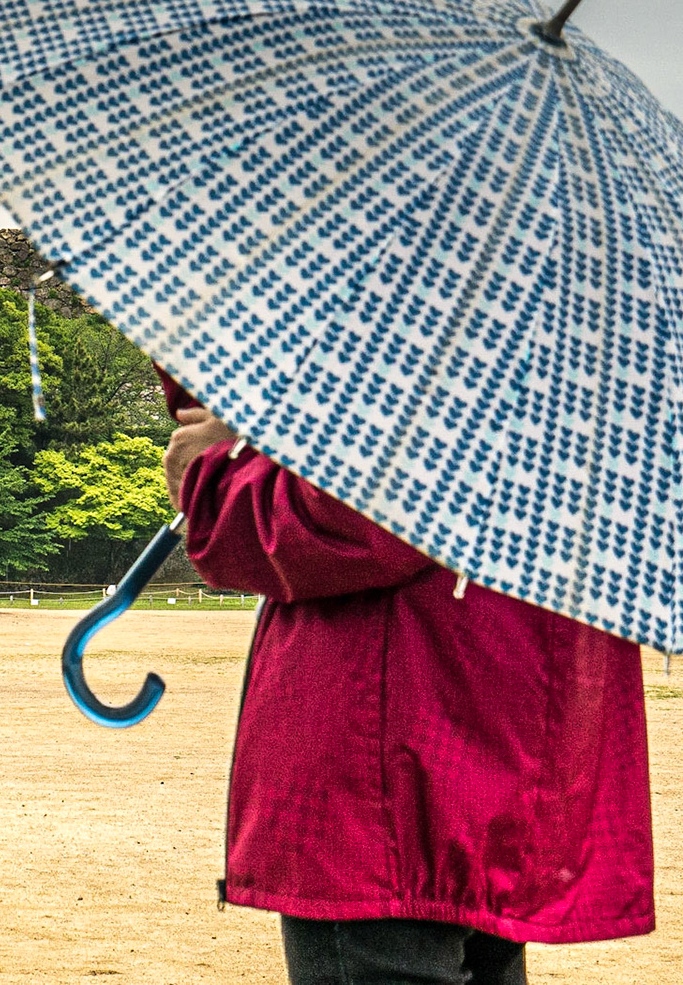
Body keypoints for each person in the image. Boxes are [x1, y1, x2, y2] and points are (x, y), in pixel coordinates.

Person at [160, 372, 654, 985]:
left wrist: (216, 469)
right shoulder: (584, 362)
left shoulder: (435, 340)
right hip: (497, 741)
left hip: (391, 764)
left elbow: (340, 519)